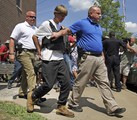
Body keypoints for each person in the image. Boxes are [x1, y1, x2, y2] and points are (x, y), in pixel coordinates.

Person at [51, 6, 126, 116]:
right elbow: (68, 30)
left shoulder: (98, 27)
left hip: (99, 58)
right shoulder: (82, 23)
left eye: (100, 13)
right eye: (98, 13)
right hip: (87, 57)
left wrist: (102, 55)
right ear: (91, 13)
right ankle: (73, 102)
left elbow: (97, 42)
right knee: (81, 81)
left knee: (104, 82)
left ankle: (112, 108)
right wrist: (57, 34)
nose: (100, 15)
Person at [27, 5, 74, 118]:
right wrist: (39, 51)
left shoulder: (61, 27)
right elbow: (34, 36)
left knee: (67, 83)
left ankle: (61, 106)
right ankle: (32, 97)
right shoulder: (46, 24)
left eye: (64, 16)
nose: (63, 17)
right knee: (48, 84)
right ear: (55, 13)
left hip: (60, 57)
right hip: (49, 57)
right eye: (61, 15)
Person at [9, 11, 46, 103]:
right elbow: (12, 39)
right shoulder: (20, 26)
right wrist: (11, 53)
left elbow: (38, 42)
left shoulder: (35, 29)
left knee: (26, 74)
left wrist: (39, 52)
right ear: (26, 17)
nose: (33, 18)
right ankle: (34, 96)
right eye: (31, 17)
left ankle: (22, 92)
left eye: (35, 17)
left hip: (33, 53)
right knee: (31, 73)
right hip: (23, 53)